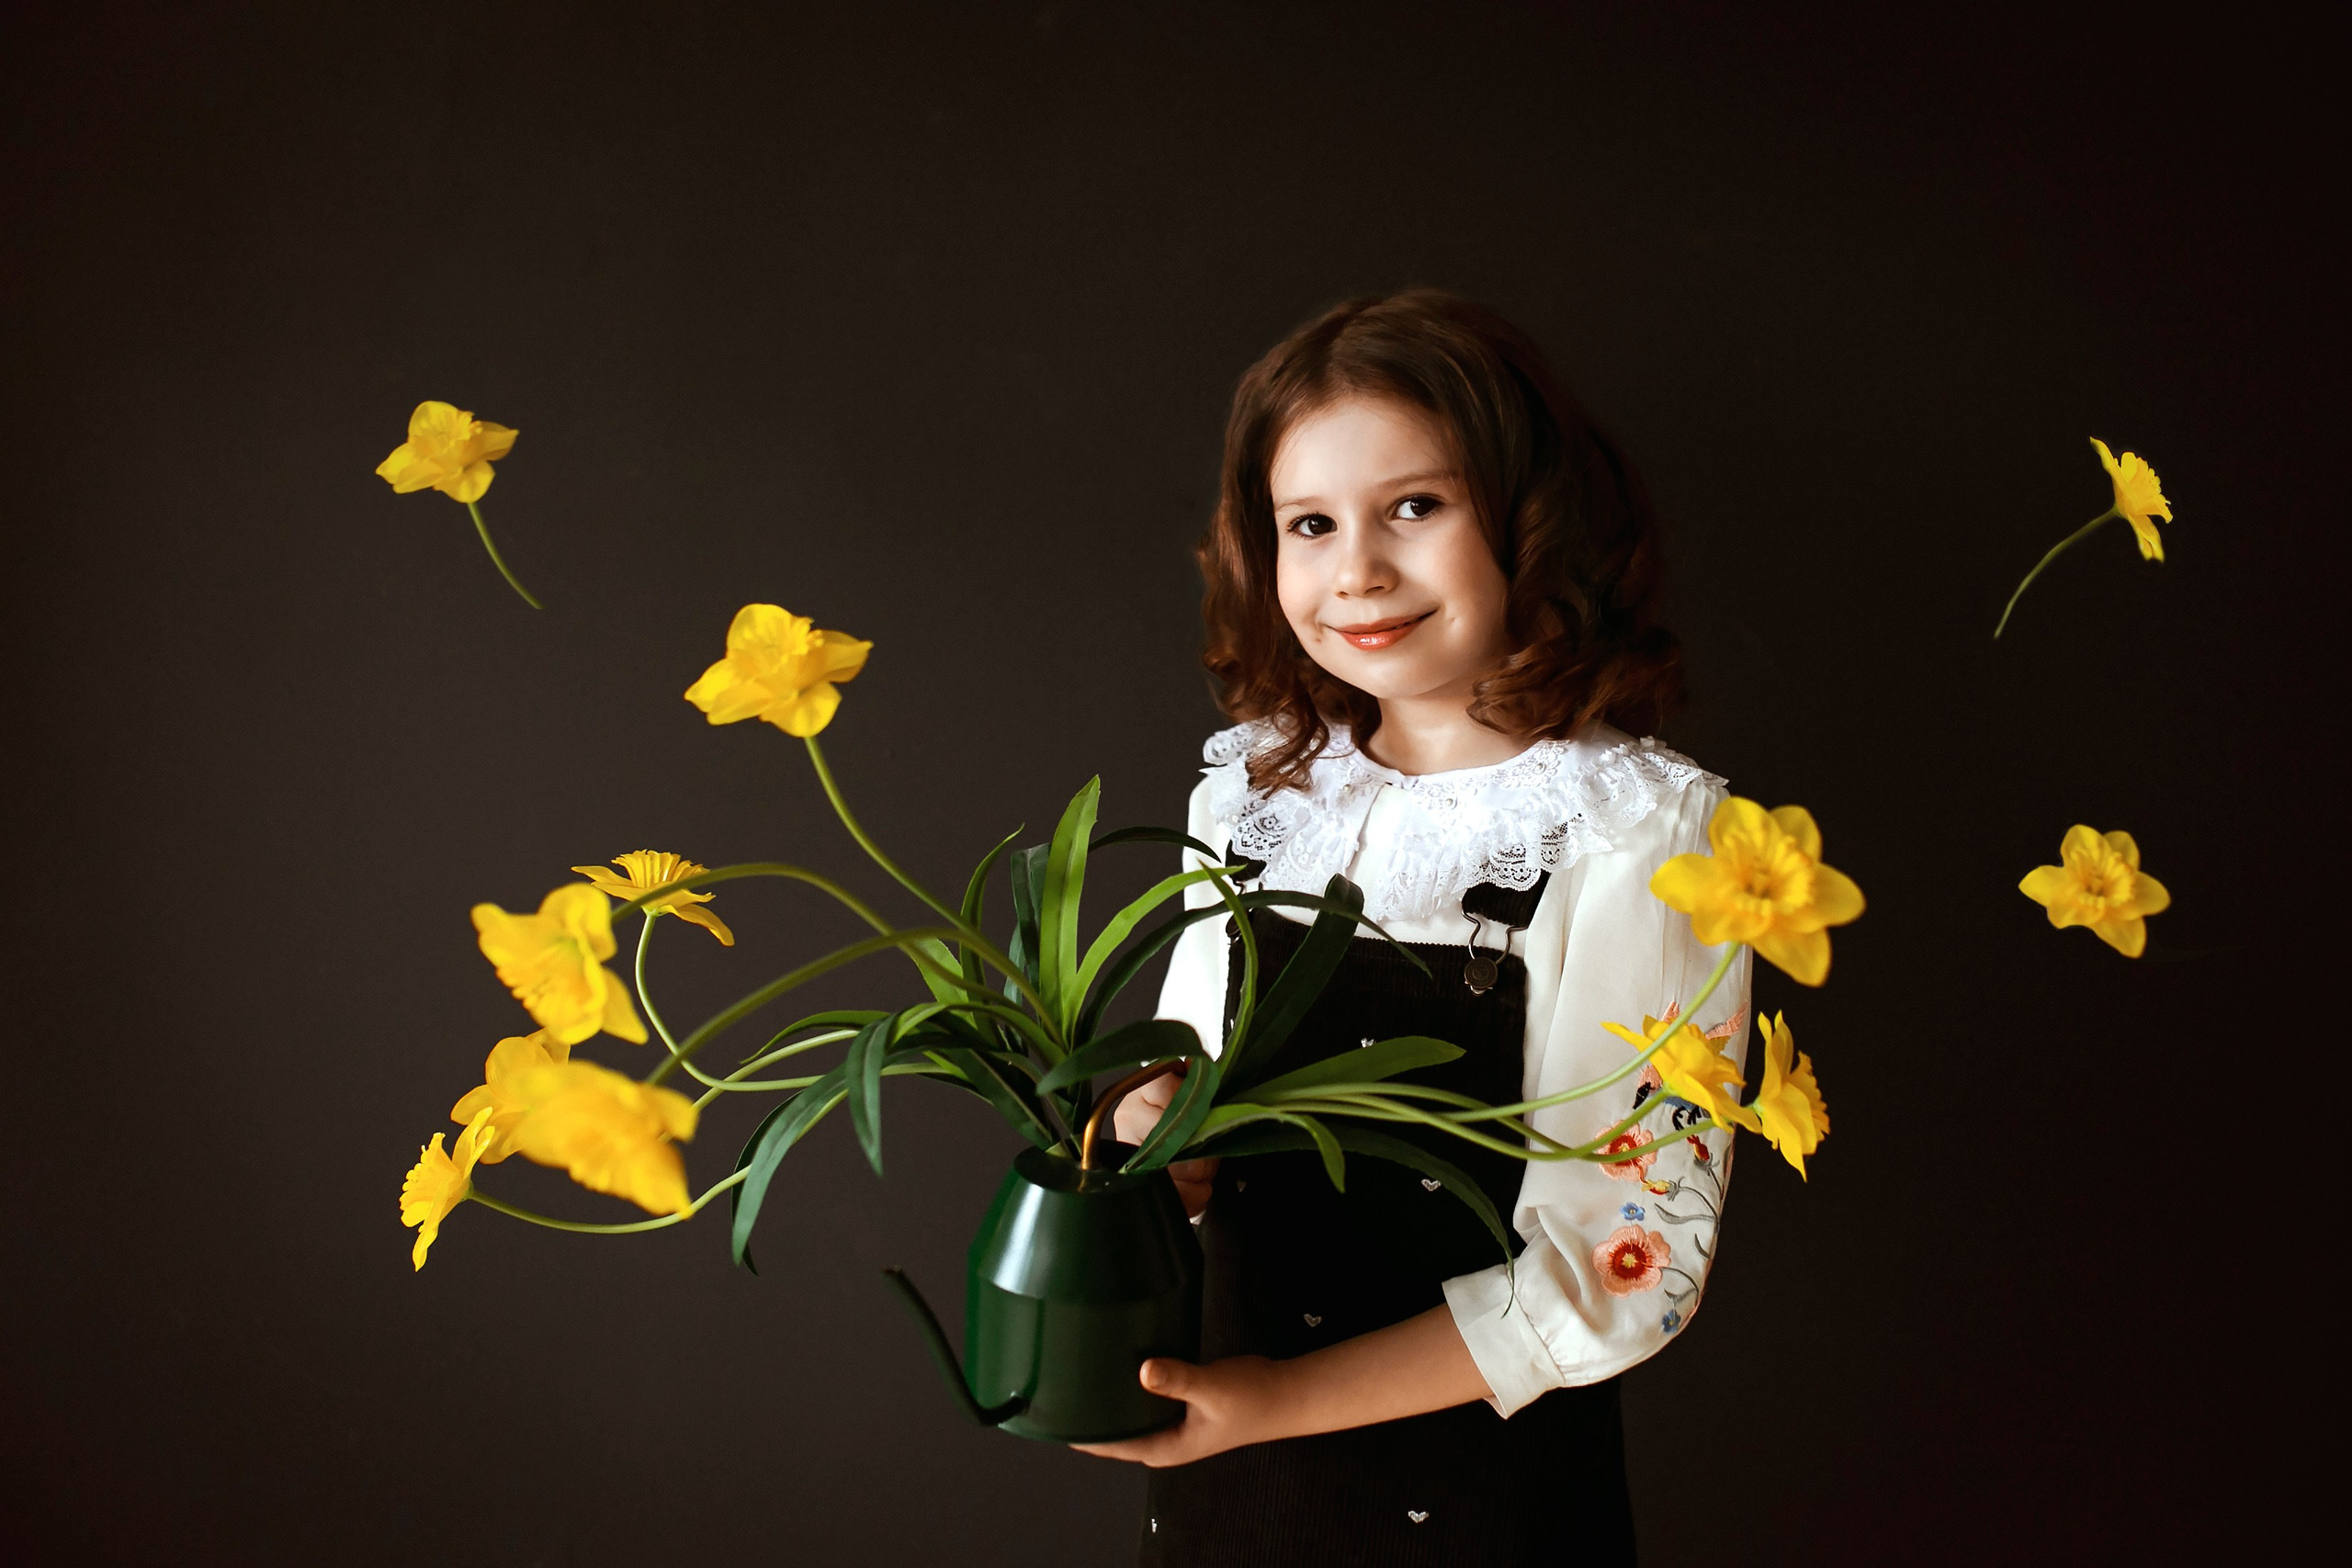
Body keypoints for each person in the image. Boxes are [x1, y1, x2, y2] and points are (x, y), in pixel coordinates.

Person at [1072, 290, 1751, 1567]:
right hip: (1230, 1482)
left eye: (1415, 508)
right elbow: (1192, 1097)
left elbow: (1630, 1264)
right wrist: (1153, 1145)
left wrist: (1279, 1403)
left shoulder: (1643, 833)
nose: (1358, 571)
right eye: (1311, 525)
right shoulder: (1254, 796)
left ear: (1530, 520)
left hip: (1476, 1495)